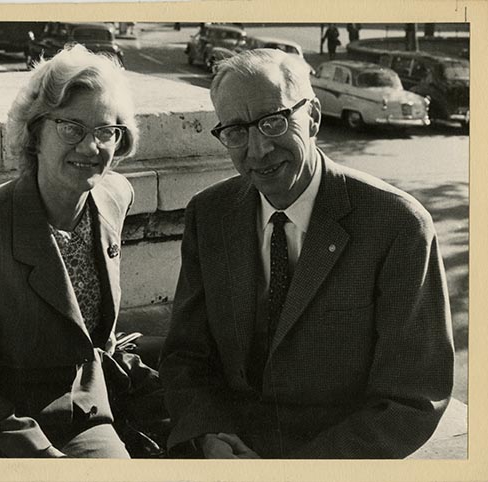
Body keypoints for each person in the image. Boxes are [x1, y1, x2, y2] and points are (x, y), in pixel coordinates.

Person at [159, 49, 454, 459]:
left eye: (273, 121)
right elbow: (186, 356)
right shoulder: (209, 214)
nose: (257, 149)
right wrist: (210, 435)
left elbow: (413, 398)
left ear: (313, 117)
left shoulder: (398, 225)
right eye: (236, 131)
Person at [0, 45, 139, 458]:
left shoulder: (115, 198)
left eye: (105, 131)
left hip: (78, 413)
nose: (92, 148)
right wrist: (41, 457)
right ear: (35, 133)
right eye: (72, 128)